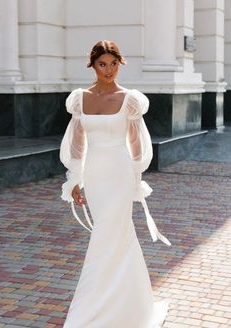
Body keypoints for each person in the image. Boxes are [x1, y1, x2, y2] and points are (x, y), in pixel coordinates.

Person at [60, 40, 171, 328]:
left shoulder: (129, 99)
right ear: (93, 65)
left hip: (120, 174)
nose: (108, 70)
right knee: (108, 235)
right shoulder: (80, 98)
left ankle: (105, 310)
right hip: (95, 174)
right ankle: (123, 304)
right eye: (102, 64)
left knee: (112, 232)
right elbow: (77, 141)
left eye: (113, 64)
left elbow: (136, 142)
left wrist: (136, 179)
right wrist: (75, 178)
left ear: (120, 64)